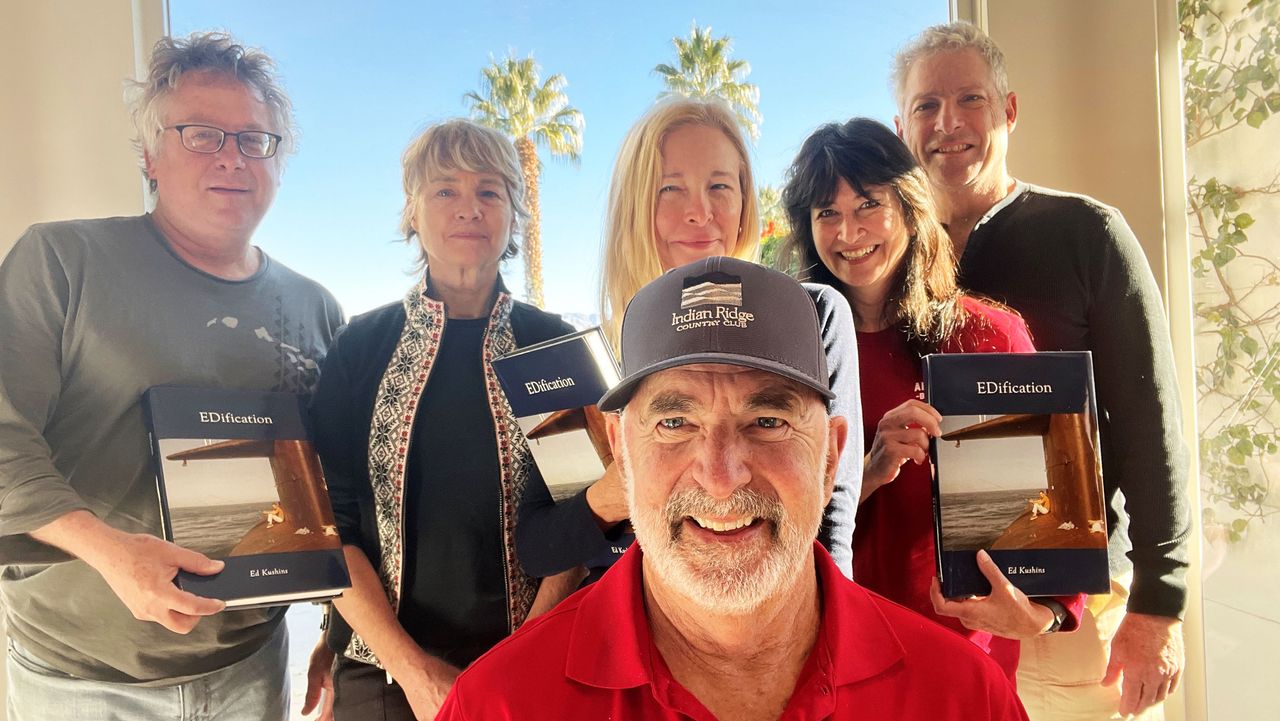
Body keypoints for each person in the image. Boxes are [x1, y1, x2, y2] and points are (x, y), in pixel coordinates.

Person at [437, 256, 1028, 721]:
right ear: (621, 449)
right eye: (675, 423)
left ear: (830, 456)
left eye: (767, 422)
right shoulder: (498, 705)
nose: (721, 476)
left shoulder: (963, 699)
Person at [0, 32, 342, 720]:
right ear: (151, 154)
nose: (232, 158)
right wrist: (110, 551)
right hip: (82, 679)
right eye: (201, 134)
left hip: (252, 667)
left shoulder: (315, 308)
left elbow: (338, 492)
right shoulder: (61, 261)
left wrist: (337, 635)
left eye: (255, 140)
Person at [892, 21, 1190, 720]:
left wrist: (1159, 603)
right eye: (927, 107)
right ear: (899, 125)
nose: (949, 123)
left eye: (971, 99)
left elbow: (1153, 424)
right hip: (928, 618)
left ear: (1010, 110)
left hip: (1072, 619)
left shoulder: (1089, 233)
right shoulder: (882, 261)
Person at [779, 117, 1084, 681]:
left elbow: (1057, 504)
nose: (848, 231)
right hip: (826, 651)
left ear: (909, 206)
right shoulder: (788, 358)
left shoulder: (990, 337)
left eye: (869, 203)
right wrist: (864, 472)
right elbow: (768, 516)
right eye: (827, 213)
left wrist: (1044, 612)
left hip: (961, 658)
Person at [516, 98, 862, 583]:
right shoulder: (592, 361)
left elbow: (832, 514)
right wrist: (610, 497)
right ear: (636, 207)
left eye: (719, 186)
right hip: (626, 635)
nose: (701, 212)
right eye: (671, 189)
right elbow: (537, 547)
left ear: (744, 201)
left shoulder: (811, 316)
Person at [306, 119, 582, 721]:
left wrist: (520, 659)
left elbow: (581, 514)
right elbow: (331, 526)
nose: (469, 208)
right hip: (383, 670)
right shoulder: (360, 349)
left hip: (534, 661)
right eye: (445, 191)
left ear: (514, 212)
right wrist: (412, 669)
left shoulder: (551, 346)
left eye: (489, 191)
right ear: (412, 211)